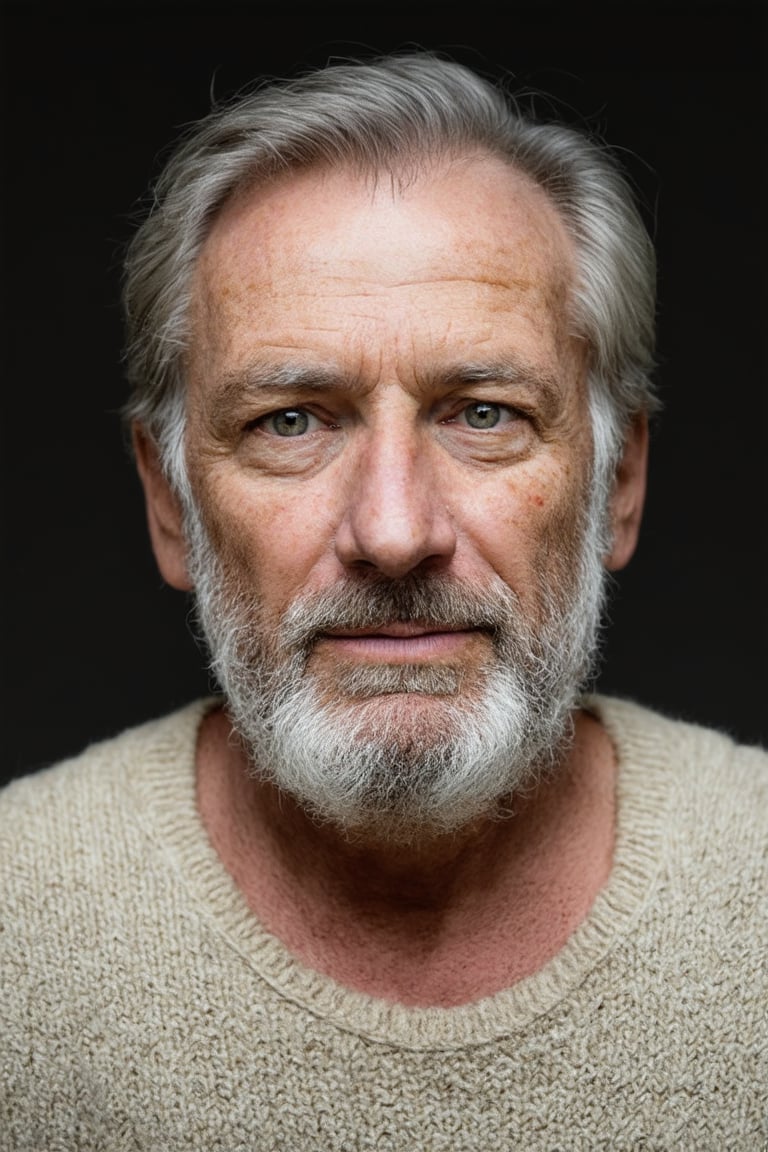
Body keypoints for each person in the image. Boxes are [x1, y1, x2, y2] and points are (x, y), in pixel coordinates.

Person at [1, 51, 766, 1150]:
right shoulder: (15, 931)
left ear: (619, 486)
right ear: (171, 502)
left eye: (485, 412)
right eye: (293, 421)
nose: (396, 532)